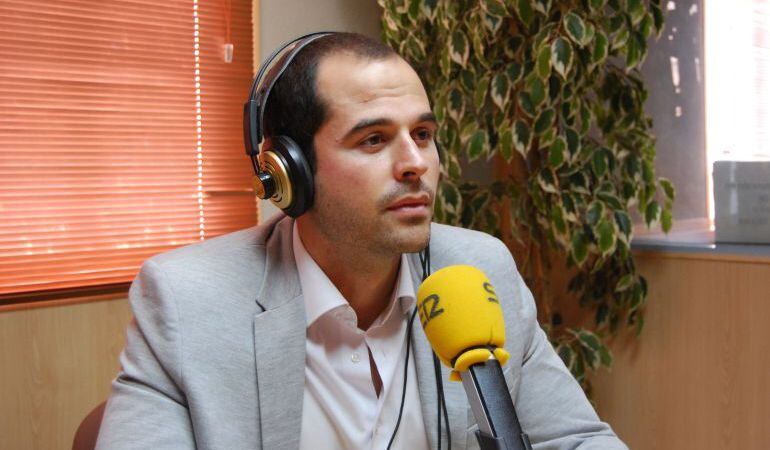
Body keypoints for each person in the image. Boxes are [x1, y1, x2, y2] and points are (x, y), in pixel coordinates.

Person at [96, 32, 626, 450]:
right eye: (373, 140)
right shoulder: (187, 299)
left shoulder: (479, 270)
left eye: (422, 135)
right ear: (289, 171)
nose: (416, 164)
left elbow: (577, 439)